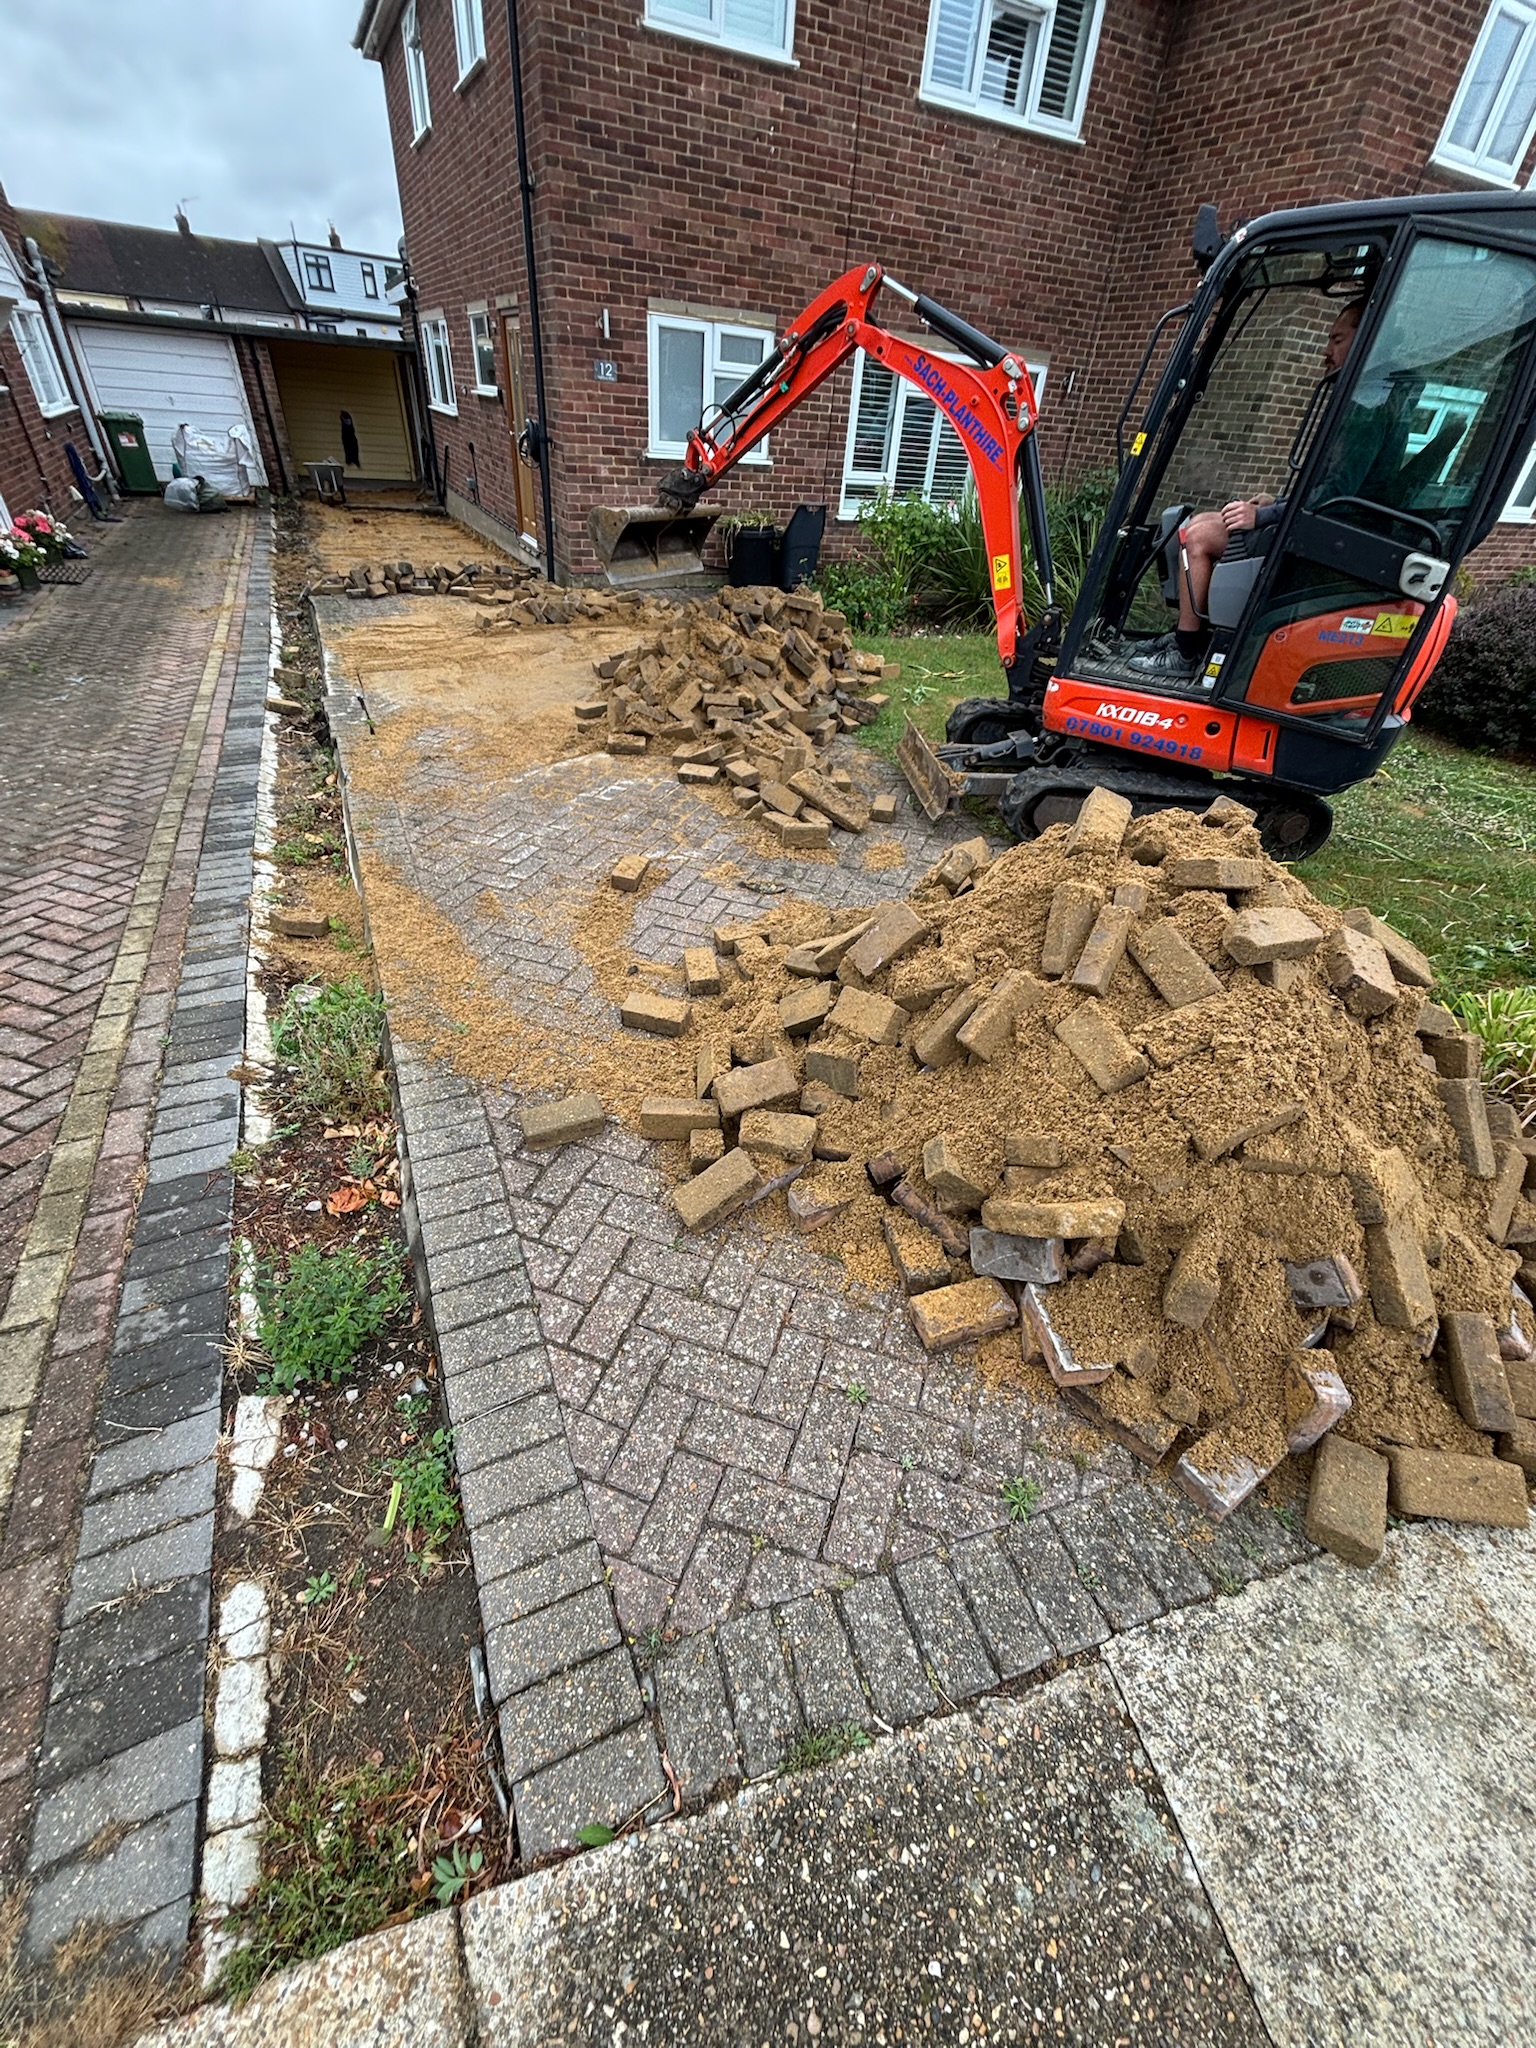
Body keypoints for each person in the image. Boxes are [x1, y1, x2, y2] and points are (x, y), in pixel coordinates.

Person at [1129, 297, 1364, 681]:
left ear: (1365, 336)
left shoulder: (1365, 413)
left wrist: (1265, 515)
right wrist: (1276, 502)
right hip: (1315, 526)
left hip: (1323, 539)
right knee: (1198, 521)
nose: (1327, 350)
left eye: (1337, 339)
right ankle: (1187, 636)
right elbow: (1326, 489)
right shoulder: (1358, 403)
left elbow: (1334, 495)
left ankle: (1186, 652)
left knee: (1198, 537)